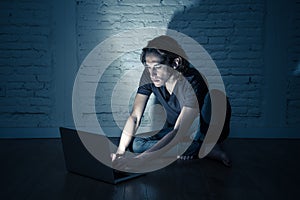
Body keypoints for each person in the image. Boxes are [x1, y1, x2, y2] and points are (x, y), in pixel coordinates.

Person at [111, 35, 232, 170]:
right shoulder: (149, 76)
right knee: (136, 144)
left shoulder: (192, 81)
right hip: (179, 132)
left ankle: (208, 143)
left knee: (215, 96)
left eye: (158, 66)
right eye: (148, 67)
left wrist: (141, 160)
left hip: (198, 129)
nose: (152, 74)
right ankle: (198, 149)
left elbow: (179, 130)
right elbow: (135, 116)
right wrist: (120, 152)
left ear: (175, 63)